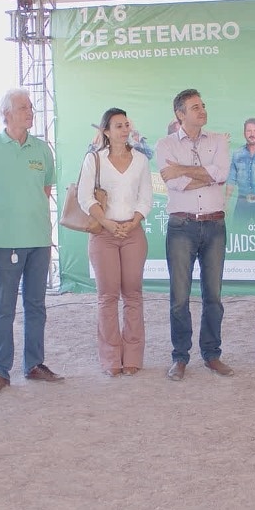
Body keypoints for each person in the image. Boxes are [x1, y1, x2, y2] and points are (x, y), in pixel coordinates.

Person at [0, 88, 65, 393]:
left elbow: (45, 191)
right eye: (23, 108)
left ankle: (34, 364)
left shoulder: (42, 149)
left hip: (39, 240)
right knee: (3, 307)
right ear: (6, 114)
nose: (30, 112)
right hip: (4, 242)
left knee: (36, 304)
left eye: (31, 108)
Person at [156, 88, 234, 380]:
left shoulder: (218, 140)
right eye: (195, 107)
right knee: (179, 297)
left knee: (213, 296)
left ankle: (212, 355)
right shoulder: (165, 145)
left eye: (203, 105)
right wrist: (206, 174)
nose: (202, 111)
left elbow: (221, 174)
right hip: (182, 226)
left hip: (215, 225)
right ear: (180, 114)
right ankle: (180, 357)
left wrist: (183, 169)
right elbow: (174, 183)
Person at [78, 108, 153, 376]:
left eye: (126, 125)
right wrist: (108, 223)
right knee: (107, 296)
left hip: (133, 233)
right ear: (106, 132)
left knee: (133, 294)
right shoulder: (94, 159)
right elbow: (85, 197)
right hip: (103, 234)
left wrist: (133, 222)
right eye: (118, 126)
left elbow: (146, 198)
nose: (124, 130)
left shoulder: (141, 160)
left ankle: (132, 356)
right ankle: (111, 358)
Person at [226, 117, 255, 223]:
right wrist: (226, 201)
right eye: (249, 131)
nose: (252, 134)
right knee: (238, 231)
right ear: (244, 133)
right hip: (242, 202)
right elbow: (231, 179)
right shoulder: (237, 153)